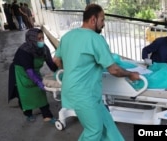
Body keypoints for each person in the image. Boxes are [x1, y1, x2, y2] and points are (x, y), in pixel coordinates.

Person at [53, 4, 140, 141]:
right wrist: (131, 74)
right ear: (93, 20)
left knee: (105, 123)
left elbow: (57, 59)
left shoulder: (67, 36)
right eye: (102, 20)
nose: (103, 24)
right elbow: (114, 70)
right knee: (94, 130)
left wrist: (71, 70)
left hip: (71, 89)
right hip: (84, 94)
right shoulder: (95, 39)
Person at [8, 28, 58, 123]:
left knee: (40, 94)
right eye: (38, 38)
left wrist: (58, 71)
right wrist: (38, 81)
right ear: (32, 39)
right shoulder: (24, 51)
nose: (41, 40)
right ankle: (28, 114)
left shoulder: (44, 49)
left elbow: (50, 63)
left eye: (42, 38)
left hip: (33, 71)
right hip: (21, 74)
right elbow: (29, 70)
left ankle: (47, 115)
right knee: (24, 96)